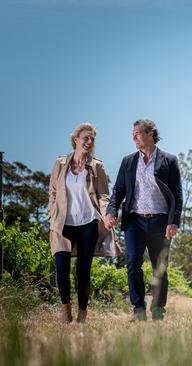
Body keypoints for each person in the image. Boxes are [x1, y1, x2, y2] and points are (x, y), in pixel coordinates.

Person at [105, 119, 182, 321]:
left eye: (137, 133)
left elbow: (177, 194)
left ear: (150, 134)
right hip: (134, 222)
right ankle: (138, 309)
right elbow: (118, 191)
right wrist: (111, 211)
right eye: (133, 134)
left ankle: (158, 309)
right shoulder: (128, 161)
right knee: (132, 264)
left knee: (159, 267)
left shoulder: (169, 160)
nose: (134, 137)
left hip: (160, 222)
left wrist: (174, 221)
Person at [48, 123, 118, 323]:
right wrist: (53, 215)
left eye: (92, 139)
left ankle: (82, 313)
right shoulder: (60, 164)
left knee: (83, 269)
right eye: (85, 138)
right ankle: (65, 311)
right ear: (75, 140)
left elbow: (104, 195)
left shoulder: (97, 166)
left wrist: (107, 214)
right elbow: (52, 192)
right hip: (63, 223)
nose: (89, 142)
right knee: (61, 266)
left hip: (88, 222)